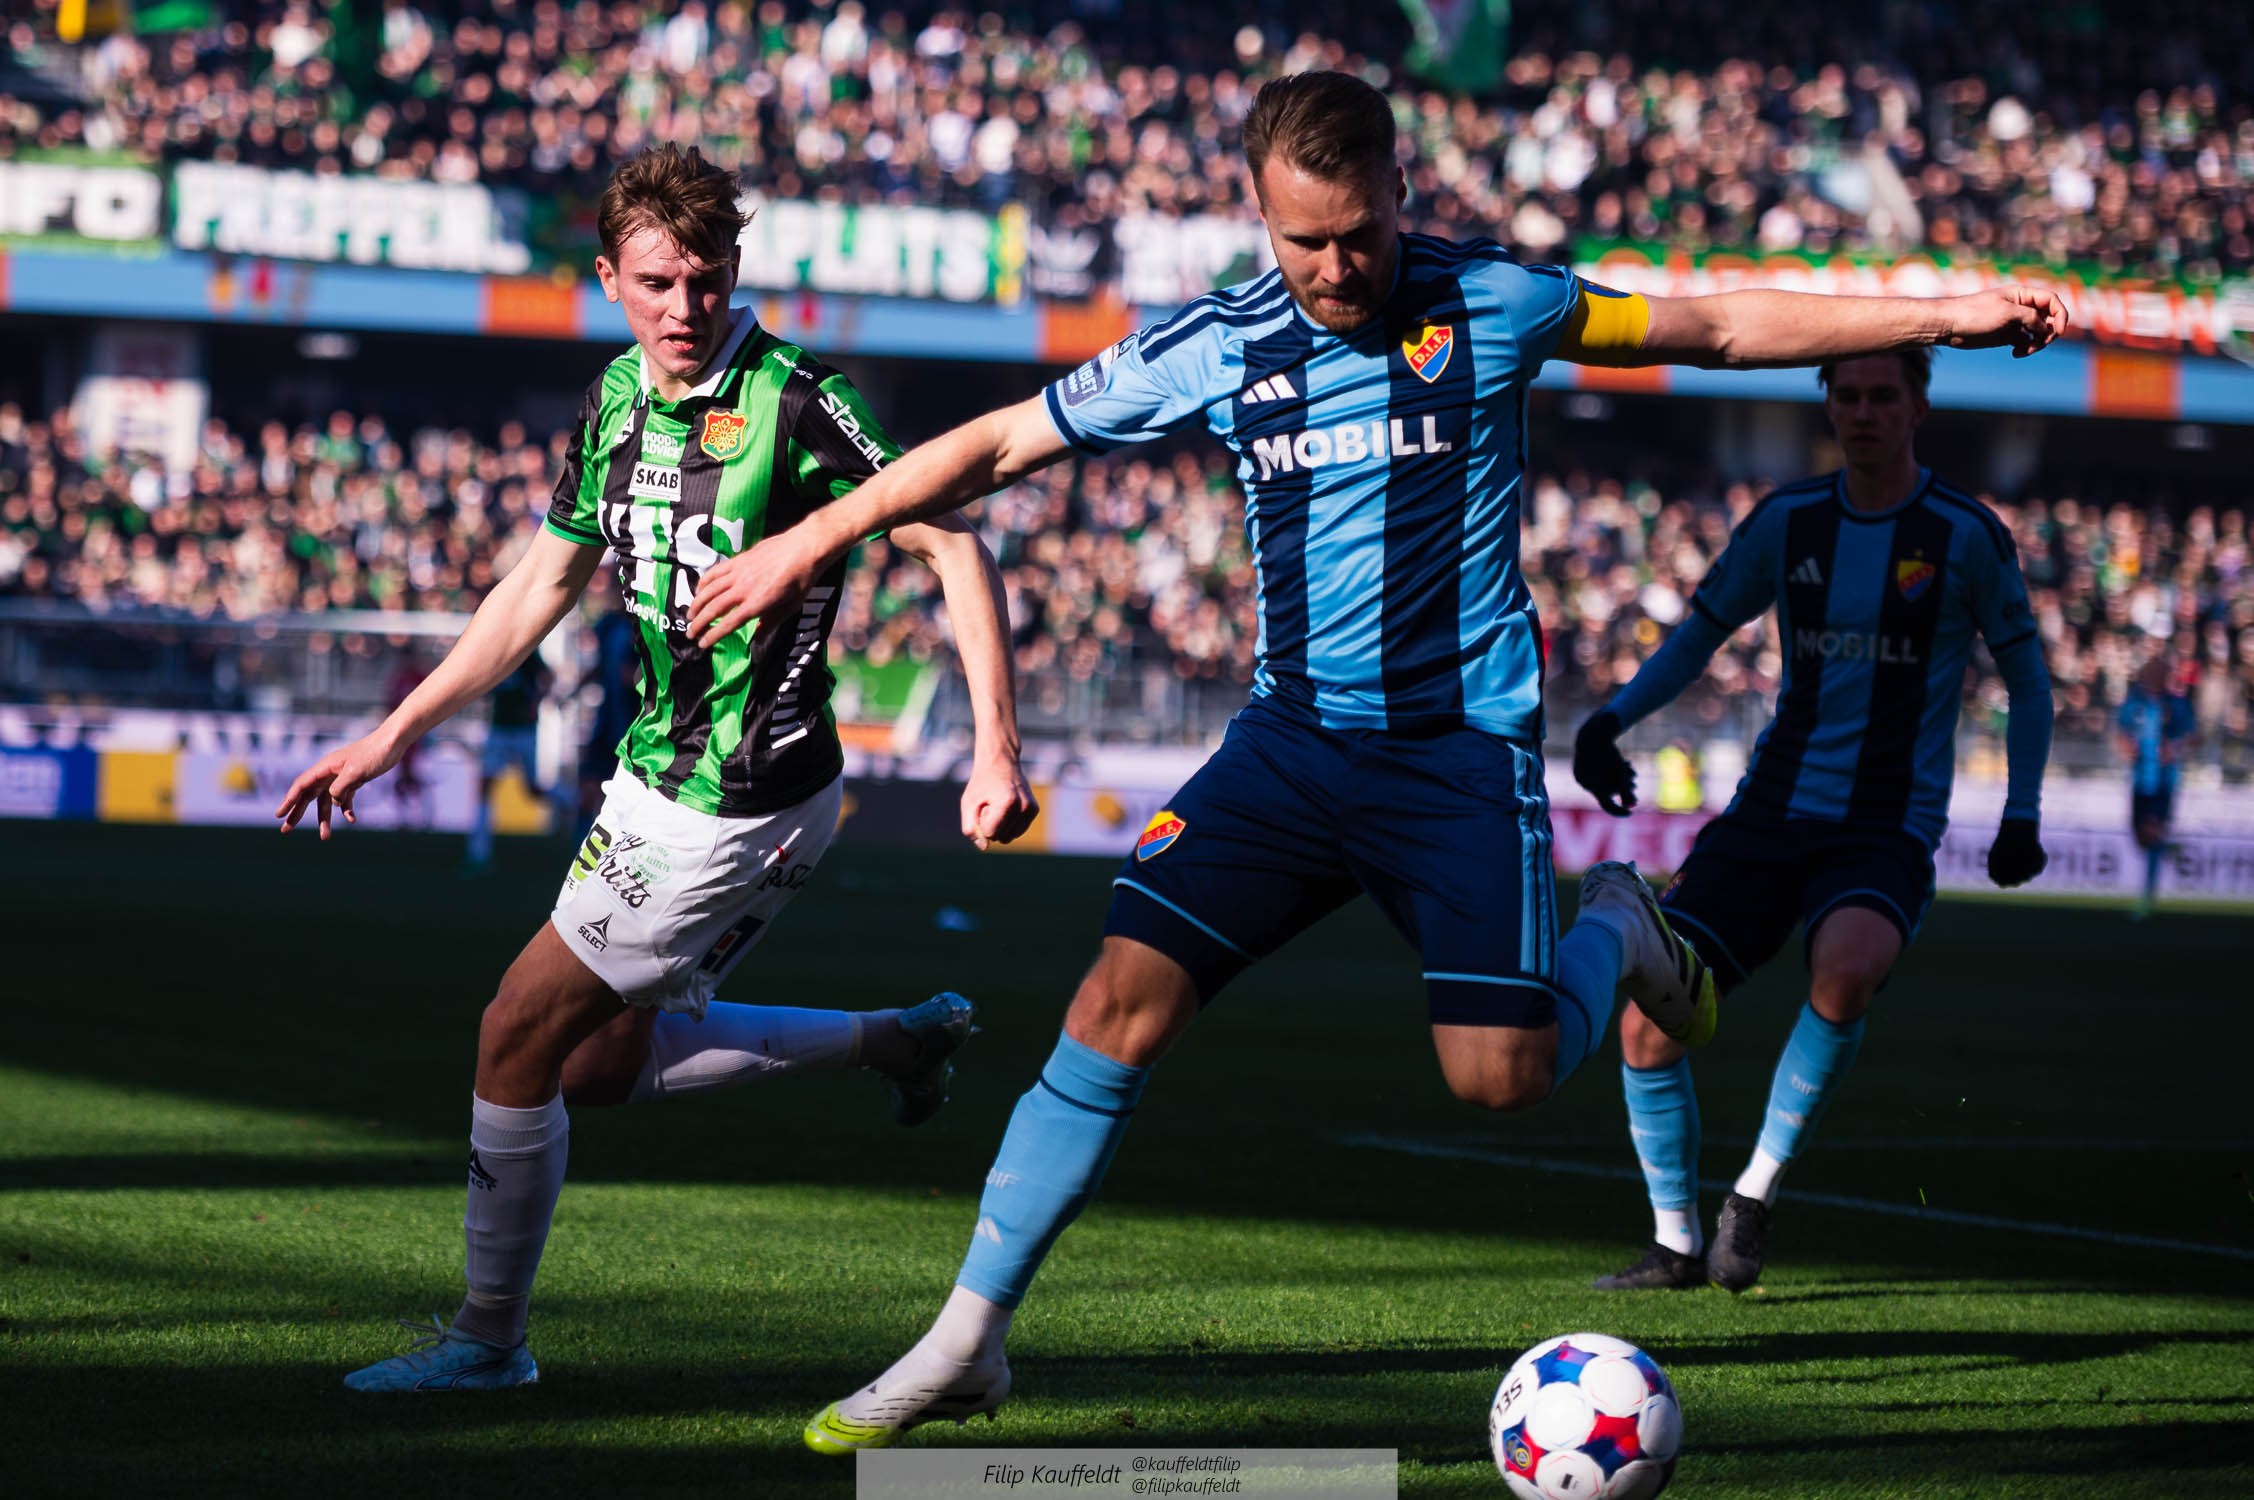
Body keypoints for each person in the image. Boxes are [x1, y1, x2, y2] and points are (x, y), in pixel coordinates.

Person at [686, 71, 2067, 1449]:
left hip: (1454, 759)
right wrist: (811, 539)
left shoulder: (1496, 301)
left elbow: (1711, 324)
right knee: (1112, 1002)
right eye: (1306, 241)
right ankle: (966, 1342)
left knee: (1499, 1079)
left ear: (1400, 191)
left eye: (1360, 232)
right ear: (1259, 214)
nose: (1338, 267)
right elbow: (1000, 443)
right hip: (1288, 750)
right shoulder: (1216, 343)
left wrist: (1942, 311)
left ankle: (1615, 924)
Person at [275, 144, 1038, 1392]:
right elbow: (537, 588)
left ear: (734, 268)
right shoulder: (615, 399)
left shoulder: (798, 399)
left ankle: (486, 1342)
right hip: (659, 778)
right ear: (608, 281)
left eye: (707, 278)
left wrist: (996, 748)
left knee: (514, 1034)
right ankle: (892, 1044)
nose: (686, 308)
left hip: (736, 799)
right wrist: (392, 733)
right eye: (657, 283)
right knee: (593, 1065)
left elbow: (955, 549)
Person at [1572, 349, 2055, 1295]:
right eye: (1849, 395)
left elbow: (2029, 684)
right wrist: (1608, 720)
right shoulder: (1788, 521)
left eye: (1884, 395)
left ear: (1918, 405)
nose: (1865, 412)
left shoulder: (1965, 535)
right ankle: (1675, 1244)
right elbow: (1696, 639)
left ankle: (1753, 1194)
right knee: (1646, 1027)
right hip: (1768, 814)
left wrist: (2023, 811)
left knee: (1846, 969)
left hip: (1884, 822)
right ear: (1827, 403)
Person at [2117, 654, 2195, 919]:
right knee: (2140, 837)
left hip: (2164, 781)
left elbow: (2194, 736)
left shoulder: (2177, 704)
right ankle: (2165, 846)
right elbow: (2120, 732)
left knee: (2150, 834)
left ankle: (2147, 898)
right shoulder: (2135, 702)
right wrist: (2127, 747)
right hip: (2141, 779)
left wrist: (2175, 748)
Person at [466, 650, 554, 870]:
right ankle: (478, 853)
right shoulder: (492, 652)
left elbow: (548, 676)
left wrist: (536, 703)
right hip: (499, 729)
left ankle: (578, 802)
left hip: (523, 730)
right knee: (485, 788)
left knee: (533, 790)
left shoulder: (525, 650)